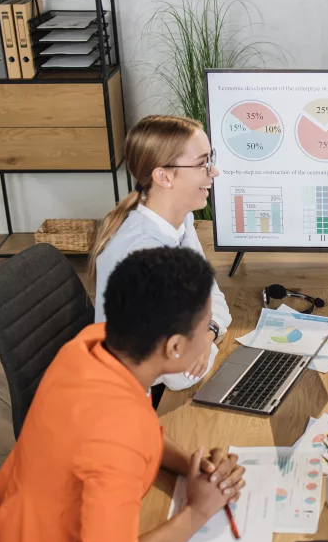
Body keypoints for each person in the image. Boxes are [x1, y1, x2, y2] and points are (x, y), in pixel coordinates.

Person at [0, 247, 247, 542]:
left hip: (16, 538)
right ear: (174, 348)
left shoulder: (94, 342)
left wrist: (188, 464)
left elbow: (138, 430)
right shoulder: (117, 437)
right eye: (207, 327)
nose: (210, 334)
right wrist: (198, 510)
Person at [90, 114, 232, 406]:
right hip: (134, 402)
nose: (214, 171)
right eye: (202, 163)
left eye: (211, 158)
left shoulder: (179, 221)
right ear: (163, 176)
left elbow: (214, 298)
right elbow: (181, 374)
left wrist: (205, 337)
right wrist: (208, 334)